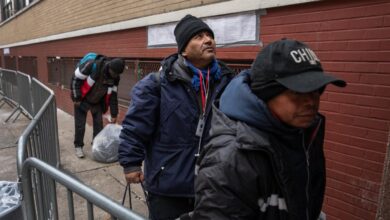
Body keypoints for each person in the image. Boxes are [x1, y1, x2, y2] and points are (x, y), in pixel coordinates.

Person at [192, 38, 347, 219]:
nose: (311, 101)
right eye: (298, 92)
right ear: (266, 94)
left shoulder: (303, 134)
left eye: (317, 90)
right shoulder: (231, 159)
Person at [118, 15, 234, 220]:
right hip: (168, 186)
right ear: (183, 50)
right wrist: (131, 162)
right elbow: (136, 125)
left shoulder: (227, 81)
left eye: (210, 35)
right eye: (199, 36)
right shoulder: (156, 84)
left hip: (214, 184)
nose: (208, 40)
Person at [70, 53, 125, 158]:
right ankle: (78, 146)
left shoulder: (115, 78)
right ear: (110, 67)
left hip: (98, 102)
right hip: (83, 99)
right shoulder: (93, 65)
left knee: (98, 126)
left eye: (117, 74)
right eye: (113, 73)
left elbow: (113, 96)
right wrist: (76, 97)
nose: (114, 76)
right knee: (80, 125)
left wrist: (114, 114)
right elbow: (75, 79)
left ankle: (96, 146)